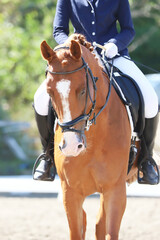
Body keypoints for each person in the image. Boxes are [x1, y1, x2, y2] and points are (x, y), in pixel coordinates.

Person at [33, 0, 159, 185]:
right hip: (77, 58)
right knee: (40, 98)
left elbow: (128, 29)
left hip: (113, 56)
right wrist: (70, 44)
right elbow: (58, 30)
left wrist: (115, 44)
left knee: (150, 98)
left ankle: (146, 159)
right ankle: (47, 157)